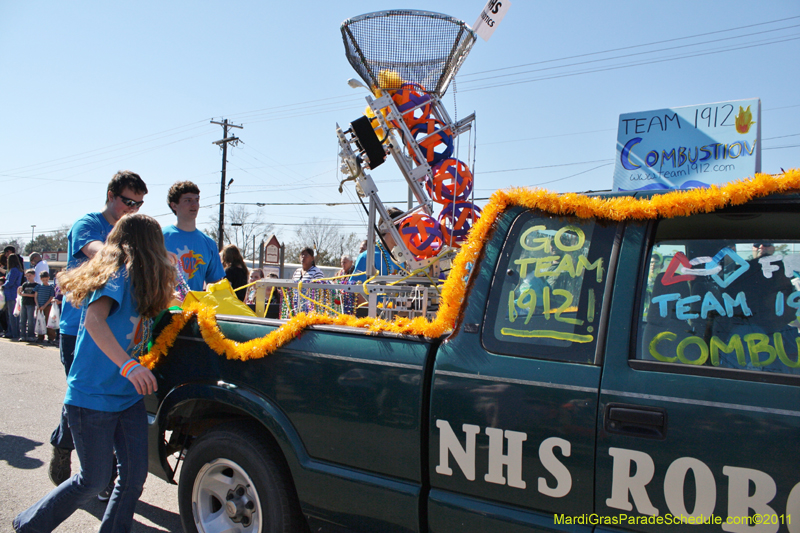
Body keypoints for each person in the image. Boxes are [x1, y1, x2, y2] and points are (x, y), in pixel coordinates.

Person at [13, 214, 173, 533]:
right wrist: (129, 366)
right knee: (94, 480)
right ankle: (29, 526)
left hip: (126, 398)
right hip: (92, 398)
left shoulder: (144, 281)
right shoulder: (117, 273)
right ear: (148, 244)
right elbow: (94, 320)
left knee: (133, 478)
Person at [50, 170, 148, 494]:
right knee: (85, 397)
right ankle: (68, 448)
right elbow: (99, 251)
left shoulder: (133, 232)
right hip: (79, 327)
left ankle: (103, 473)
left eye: (138, 205)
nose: (132, 209)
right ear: (110, 195)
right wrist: (141, 254)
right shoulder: (88, 224)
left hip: (117, 329)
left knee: (112, 400)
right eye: (128, 202)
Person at [162, 181, 225, 292]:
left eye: (196, 200)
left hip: (196, 303)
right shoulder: (159, 237)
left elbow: (215, 285)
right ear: (174, 205)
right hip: (164, 303)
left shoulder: (209, 243)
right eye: (188, 200)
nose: (194, 205)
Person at [2, 254, 23, 340]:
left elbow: (10, 282)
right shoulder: (19, 269)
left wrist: (3, 286)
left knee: (11, 315)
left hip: (11, 293)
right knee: (15, 314)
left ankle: (13, 333)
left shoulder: (13, 270)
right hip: (15, 293)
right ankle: (14, 332)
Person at [17, 269, 39, 342]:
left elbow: (35, 295)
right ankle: (22, 335)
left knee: (30, 320)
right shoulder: (25, 284)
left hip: (31, 304)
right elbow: (20, 293)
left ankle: (31, 335)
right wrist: (19, 290)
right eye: (27, 276)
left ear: (34, 275)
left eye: (30, 275)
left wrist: (25, 294)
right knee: (22, 320)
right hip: (24, 303)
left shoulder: (36, 285)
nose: (28, 277)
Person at [35, 271, 57, 344]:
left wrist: (45, 305)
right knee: (39, 321)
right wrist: (38, 305)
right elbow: (35, 296)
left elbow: (51, 297)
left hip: (48, 306)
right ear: (40, 279)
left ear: (49, 278)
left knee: (49, 321)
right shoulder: (38, 287)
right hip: (39, 306)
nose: (45, 281)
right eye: (43, 279)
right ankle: (40, 336)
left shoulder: (51, 287)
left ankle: (51, 337)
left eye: (46, 279)